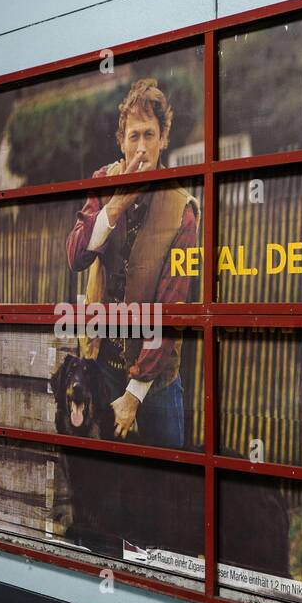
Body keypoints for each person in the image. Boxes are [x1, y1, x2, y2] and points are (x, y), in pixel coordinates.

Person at [65, 78, 200, 448]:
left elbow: (172, 309)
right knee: (110, 488)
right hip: (103, 370)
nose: (141, 148)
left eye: (150, 136)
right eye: (134, 136)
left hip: (155, 383)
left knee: (168, 487)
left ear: (164, 138)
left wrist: (135, 392)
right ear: (121, 141)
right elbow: (76, 255)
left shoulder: (182, 209)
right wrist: (115, 206)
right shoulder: (102, 183)